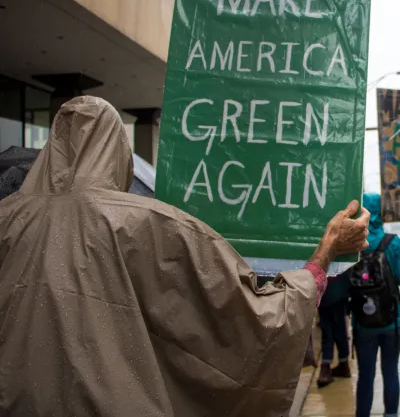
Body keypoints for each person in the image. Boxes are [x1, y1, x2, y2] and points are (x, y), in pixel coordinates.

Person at [0, 96, 370, 417]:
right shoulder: (143, 224)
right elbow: (252, 318)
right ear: (117, 152)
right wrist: (325, 254)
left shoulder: (7, 220)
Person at [353, 193, 400, 417]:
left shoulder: (353, 245)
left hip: (363, 324)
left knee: (365, 375)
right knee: (390, 371)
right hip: (394, 321)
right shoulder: (392, 243)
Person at [316, 276, 351, 387]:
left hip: (329, 287)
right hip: (339, 287)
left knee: (328, 330)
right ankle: (343, 363)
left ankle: (326, 367)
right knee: (339, 328)